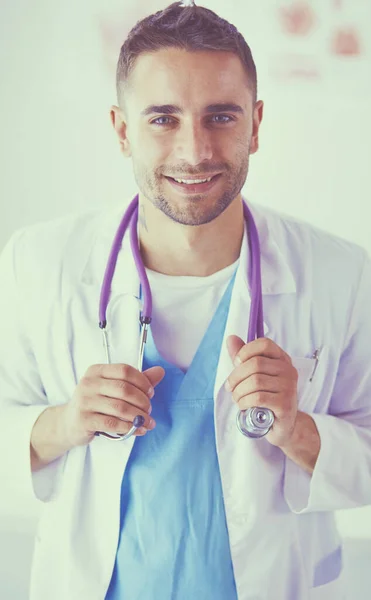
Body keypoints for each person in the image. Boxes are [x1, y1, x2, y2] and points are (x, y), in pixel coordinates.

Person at [1, 2, 371, 599]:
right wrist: (65, 423)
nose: (194, 150)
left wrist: (296, 428)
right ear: (122, 129)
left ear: (255, 122)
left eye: (220, 116)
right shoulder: (38, 263)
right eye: (163, 119)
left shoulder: (338, 272)